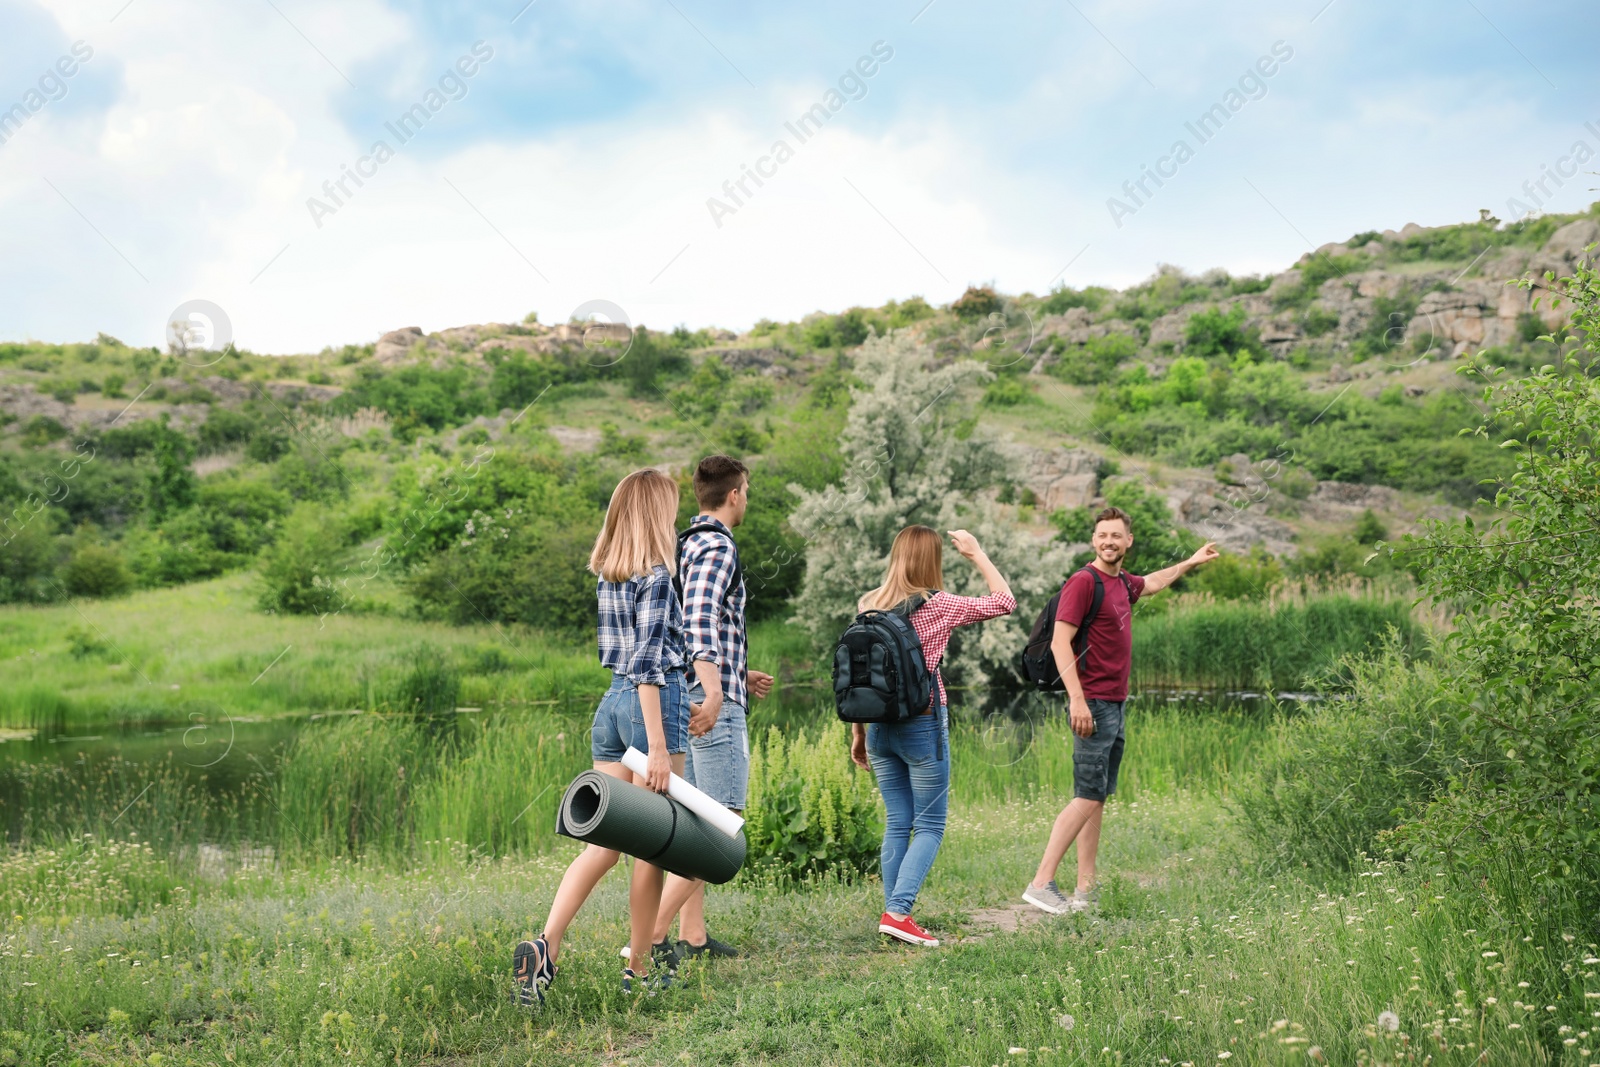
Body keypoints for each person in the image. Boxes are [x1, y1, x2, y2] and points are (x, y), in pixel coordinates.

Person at [512, 467, 691, 1004]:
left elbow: (625, 662)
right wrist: (657, 744)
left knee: (604, 845)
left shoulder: (609, 574)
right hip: (650, 705)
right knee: (653, 849)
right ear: (658, 513)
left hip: (610, 706)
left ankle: (546, 945)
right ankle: (638, 972)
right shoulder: (658, 575)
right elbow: (648, 664)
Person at [1021, 505, 1218, 915]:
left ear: (1128, 541)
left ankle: (1085, 890)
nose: (1109, 541)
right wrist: (1077, 699)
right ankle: (1041, 883)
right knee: (1086, 795)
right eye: (1102, 535)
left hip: (1114, 702)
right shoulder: (1083, 582)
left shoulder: (1123, 583)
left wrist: (1192, 561)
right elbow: (1060, 644)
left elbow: (1155, 582)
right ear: (1094, 540)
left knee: (1097, 797)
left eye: (1116, 535)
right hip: (1090, 701)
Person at [623, 455, 774, 970]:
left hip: (698, 685)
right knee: (723, 822)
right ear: (734, 494)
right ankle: (653, 936)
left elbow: (686, 621)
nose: (746, 498)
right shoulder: (717, 545)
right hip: (708, 700)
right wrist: (714, 689)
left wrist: (738, 672)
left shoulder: (685, 545)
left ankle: (692, 934)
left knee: (696, 823)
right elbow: (704, 619)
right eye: (746, 490)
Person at [848, 525, 1015, 948]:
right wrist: (976, 553)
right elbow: (1005, 601)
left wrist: (858, 734)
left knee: (898, 822)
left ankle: (893, 914)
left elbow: (859, 674)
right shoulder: (940, 605)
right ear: (933, 561)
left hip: (878, 728)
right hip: (923, 723)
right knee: (930, 824)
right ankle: (899, 912)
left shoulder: (868, 605)